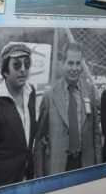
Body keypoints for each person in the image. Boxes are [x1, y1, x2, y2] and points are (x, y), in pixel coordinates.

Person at [34, 42, 102, 176]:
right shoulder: (49, 96)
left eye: (78, 63)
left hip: (85, 166)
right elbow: (39, 142)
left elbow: (96, 135)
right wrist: (39, 177)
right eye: (70, 63)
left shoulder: (89, 91)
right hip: (57, 169)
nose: (75, 68)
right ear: (62, 64)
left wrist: (99, 168)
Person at [0, 42, 37, 189]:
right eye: (17, 65)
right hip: (3, 185)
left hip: (28, 180)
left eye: (27, 63)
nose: (23, 69)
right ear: (5, 71)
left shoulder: (31, 93)